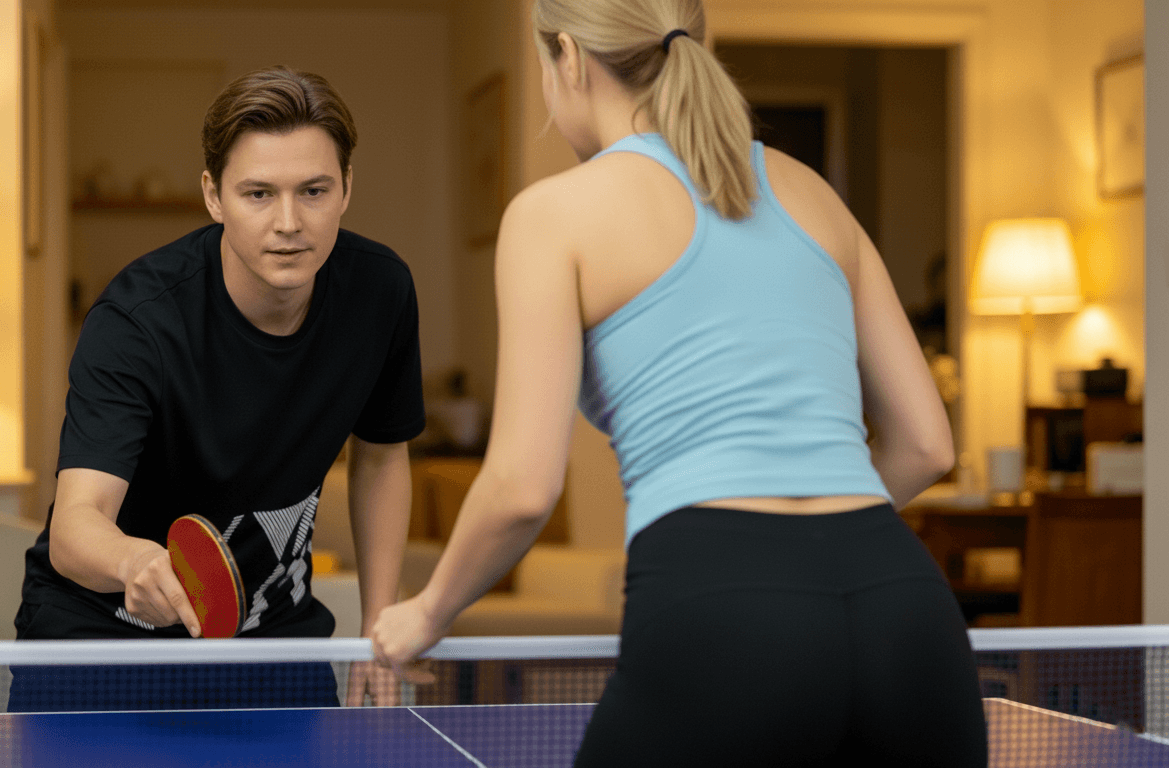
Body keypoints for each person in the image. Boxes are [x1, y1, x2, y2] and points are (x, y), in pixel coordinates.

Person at [370, 1, 988, 765]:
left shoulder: (553, 215)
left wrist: (425, 613)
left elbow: (524, 486)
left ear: (566, 56)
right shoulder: (811, 190)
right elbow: (927, 445)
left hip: (721, 610)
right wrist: (812, 543)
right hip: (904, 606)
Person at [11, 66, 424, 712]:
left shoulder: (382, 294)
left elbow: (382, 454)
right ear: (213, 195)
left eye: (313, 190)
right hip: (101, 644)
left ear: (347, 188)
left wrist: (380, 623)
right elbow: (75, 525)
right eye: (258, 194)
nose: (289, 221)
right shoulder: (137, 320)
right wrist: (130, 563)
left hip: (272, 642)